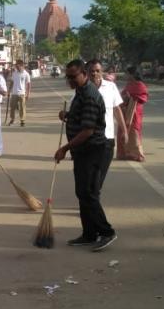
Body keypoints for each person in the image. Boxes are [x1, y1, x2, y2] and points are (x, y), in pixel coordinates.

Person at [54, 60, 116, 252]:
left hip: (92, 150)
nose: (70, 80)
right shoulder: (80, 93)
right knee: (82, 192)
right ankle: (89, 233)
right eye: (68, 76)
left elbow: (88, 130)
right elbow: (81, 118)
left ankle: (106, 232)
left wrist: (64, 148)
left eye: (73, 76)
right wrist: (68, 115)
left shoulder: (89, 95)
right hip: (82, 152)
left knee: (89, 193)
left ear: (84, 74)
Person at [88, 59, 127, 183]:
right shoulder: (83, 88)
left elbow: (117, 110)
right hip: (89, 139)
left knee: (100, 175)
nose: (94, 73)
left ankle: (94, 196)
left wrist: (124, 131)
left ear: (102, 72)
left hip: (107, 139)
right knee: (90, 176)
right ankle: (93, 197)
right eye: (92, 71)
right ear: (87, 72)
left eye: (97, 71)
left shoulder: (111, 87)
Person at [116, 65, 149, 162]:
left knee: (134, 130)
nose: (125, 75)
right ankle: (124, 153)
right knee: (123, 129)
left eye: (127, 73)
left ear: (132, 74)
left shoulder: (140, 85)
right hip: (126, 110)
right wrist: (125, 98)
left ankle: (137, 153)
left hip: (135, 112)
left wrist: (132, 98)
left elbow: (143, 97)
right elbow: (122, 95)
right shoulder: (129, 84)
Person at [8, 59, 31, 127]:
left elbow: (29, 84)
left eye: (18, 66)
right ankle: (12, 119)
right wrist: (9, 91)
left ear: (22, 65)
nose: (17, 67)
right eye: (16, 66)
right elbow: (12, 82)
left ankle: (22, 120)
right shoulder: (14, 73)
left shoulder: (26, 74)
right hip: (14, 93)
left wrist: (28, 93)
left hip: (22, 93)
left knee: (22, 107)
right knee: (12, 107)